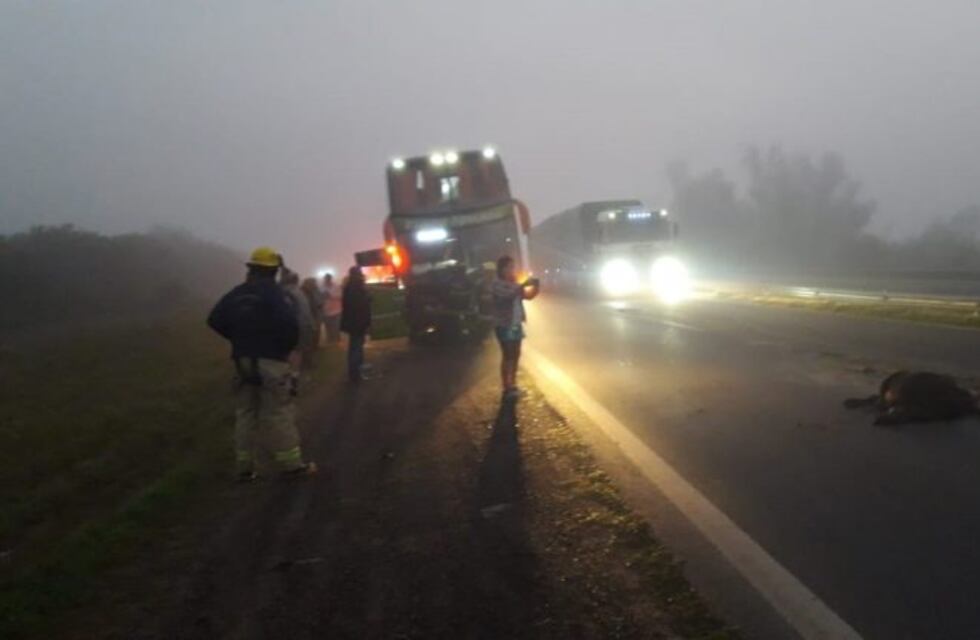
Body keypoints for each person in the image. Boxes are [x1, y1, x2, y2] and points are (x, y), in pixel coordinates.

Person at [207, 246, 317, 480]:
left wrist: (238, 338)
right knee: (278, 412)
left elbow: (214, 319)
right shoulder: (276, 295)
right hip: (271, 361)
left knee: (246, 413)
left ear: (252, 269)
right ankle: (291, 465)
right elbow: (290, 327)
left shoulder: (238, 293)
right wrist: (284, 349)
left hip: (242, 361)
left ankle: (244, 468)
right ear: (273, 270)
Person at [490, 256, 539, 399]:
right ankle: (507, 386)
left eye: (513, 267)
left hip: (516, 323)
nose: (512, 270)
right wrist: (523, 285)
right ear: (502, 269)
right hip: (504, 324)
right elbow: (508, 296)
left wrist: (536, 287)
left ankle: (513, 383)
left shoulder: (514, 283)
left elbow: (527, 296)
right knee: (508, 355)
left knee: (516, 354)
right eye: (509, 267)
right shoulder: (497, 284)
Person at [340, 266, 372, 383]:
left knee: (354, 347)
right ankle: (355, 374)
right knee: (357, 348)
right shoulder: (356, 287)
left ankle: (355, 373)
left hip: (352, 322)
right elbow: (360, 306)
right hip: (358, 323)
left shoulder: (349, 287)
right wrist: (368, 298)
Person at [280, 269, 316, 372]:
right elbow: (305, 310)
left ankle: (295, 370)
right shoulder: (296, 292)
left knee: (296, 350)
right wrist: (311, 324)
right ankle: (295, 371)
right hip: (301, 325)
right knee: (298, 350)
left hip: (296, 325)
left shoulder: (286, 292)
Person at [300, 277, 324, 359]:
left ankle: (314, 347)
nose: (314, 284)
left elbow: (320, 301)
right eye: (313, 283)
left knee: (316, 332)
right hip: (308, 317)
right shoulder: (303, 292)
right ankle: (308, 355)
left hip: (315, 315)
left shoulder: (315, 291)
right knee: (309, 336)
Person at [321, 272, 342, 344]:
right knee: (328, 328)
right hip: (326, 311)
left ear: (330, 279)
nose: (327, 280)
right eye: (326, 279)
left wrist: (331, 296)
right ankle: (330, 341)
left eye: (328, 279)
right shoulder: (321, 287)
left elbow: (341, 296)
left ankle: (336, 341)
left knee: (336, 327)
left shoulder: (336, 286)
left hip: (336, 310)